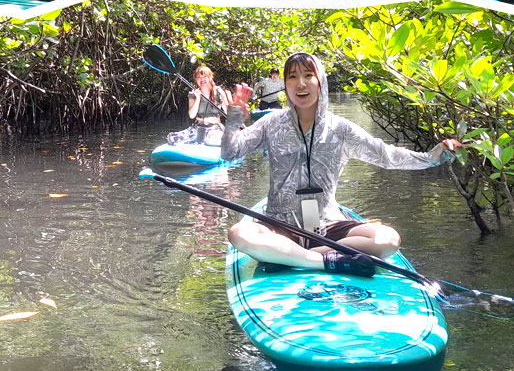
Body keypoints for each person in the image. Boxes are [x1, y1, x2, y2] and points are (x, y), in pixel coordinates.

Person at [220, 52, 461, 276]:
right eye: (292, 77)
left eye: (308, 75)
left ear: (321, 82)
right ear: (285, 85)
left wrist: (432, 158)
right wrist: (233, 117)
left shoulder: (341, 129)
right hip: (280, 224)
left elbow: (387, 155)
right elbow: (230, 153)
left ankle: (290, 257)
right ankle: (325, 261)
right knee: (239, 233)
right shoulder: (271, 123)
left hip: (327, 226)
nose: (300, 84)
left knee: (388, 239)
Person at [167, 65, 228, 145]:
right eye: (199, 77)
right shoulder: (193, 94)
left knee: (212, 141)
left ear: (210, 77)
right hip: (198, 128)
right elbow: (192, 115)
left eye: (205, 76)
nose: (202, 80)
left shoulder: (219, 92)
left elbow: (229, 112)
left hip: (215, 128)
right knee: (172, 138)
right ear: (196, 80)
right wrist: (198, 99)